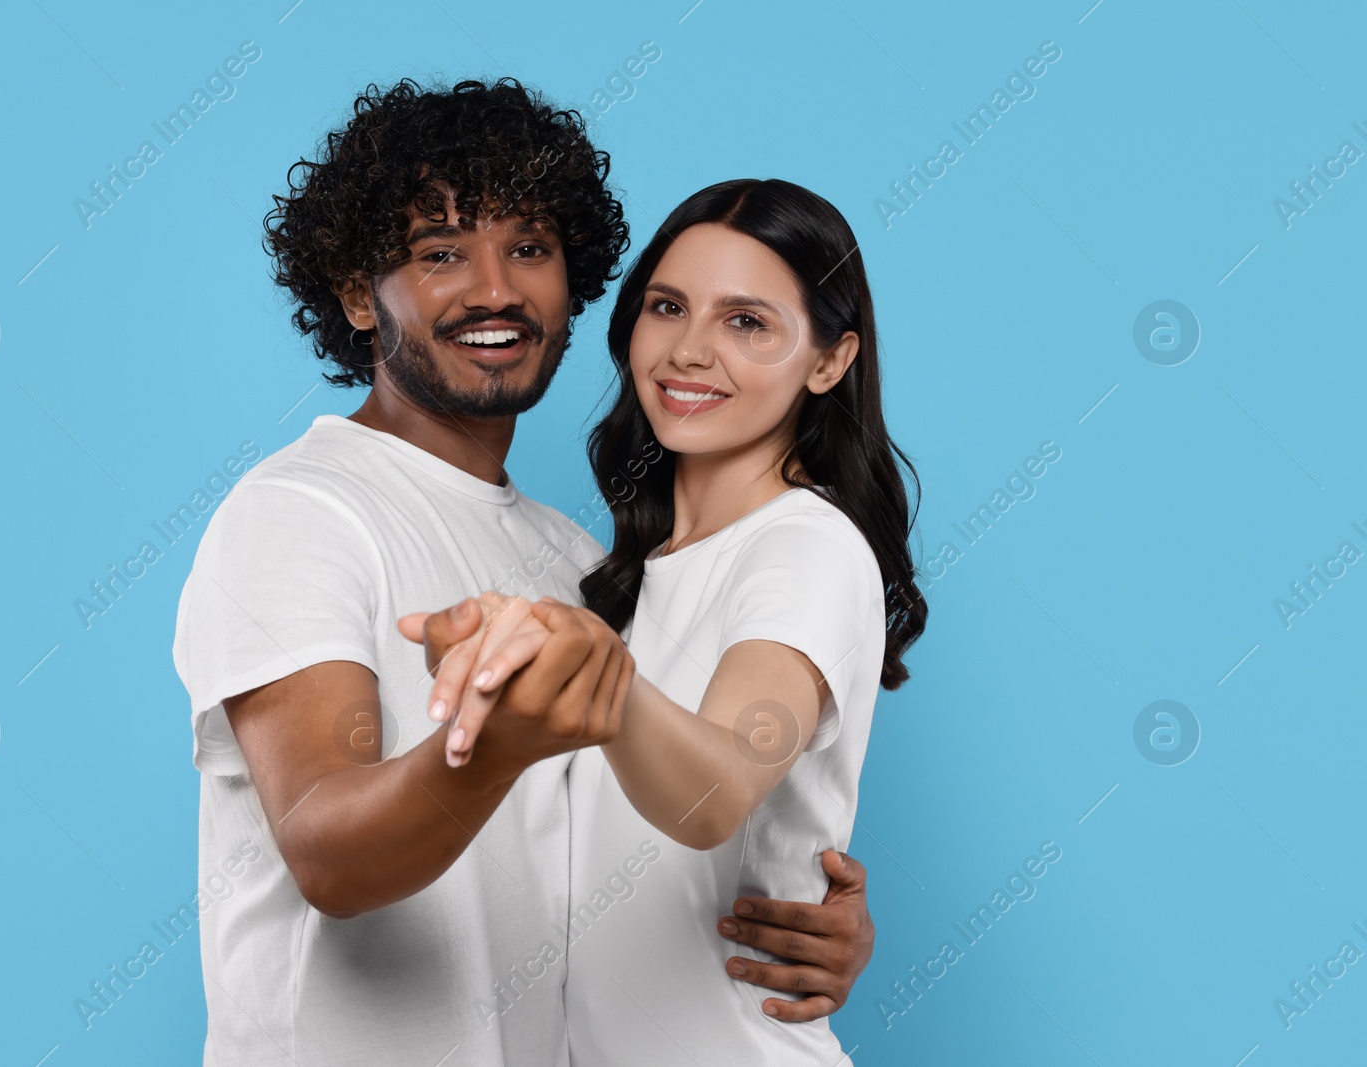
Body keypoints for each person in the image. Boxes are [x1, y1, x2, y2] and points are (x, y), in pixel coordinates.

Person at [171, 79, 875, 1065]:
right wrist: (490, 747)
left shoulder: (580, 562)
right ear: (352, 293)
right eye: (439, 252)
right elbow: (324, 847)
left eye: (530, 248)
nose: (494, 288)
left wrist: (795, 897)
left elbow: (642, 834)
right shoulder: (301, 512)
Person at [417, 178, 927, 1064]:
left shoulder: (803, 547)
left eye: (747, 322)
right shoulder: (623, 578)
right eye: (668, 307)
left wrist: (598, 677)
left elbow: (715, 790)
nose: (690, 350)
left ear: (828, 361)